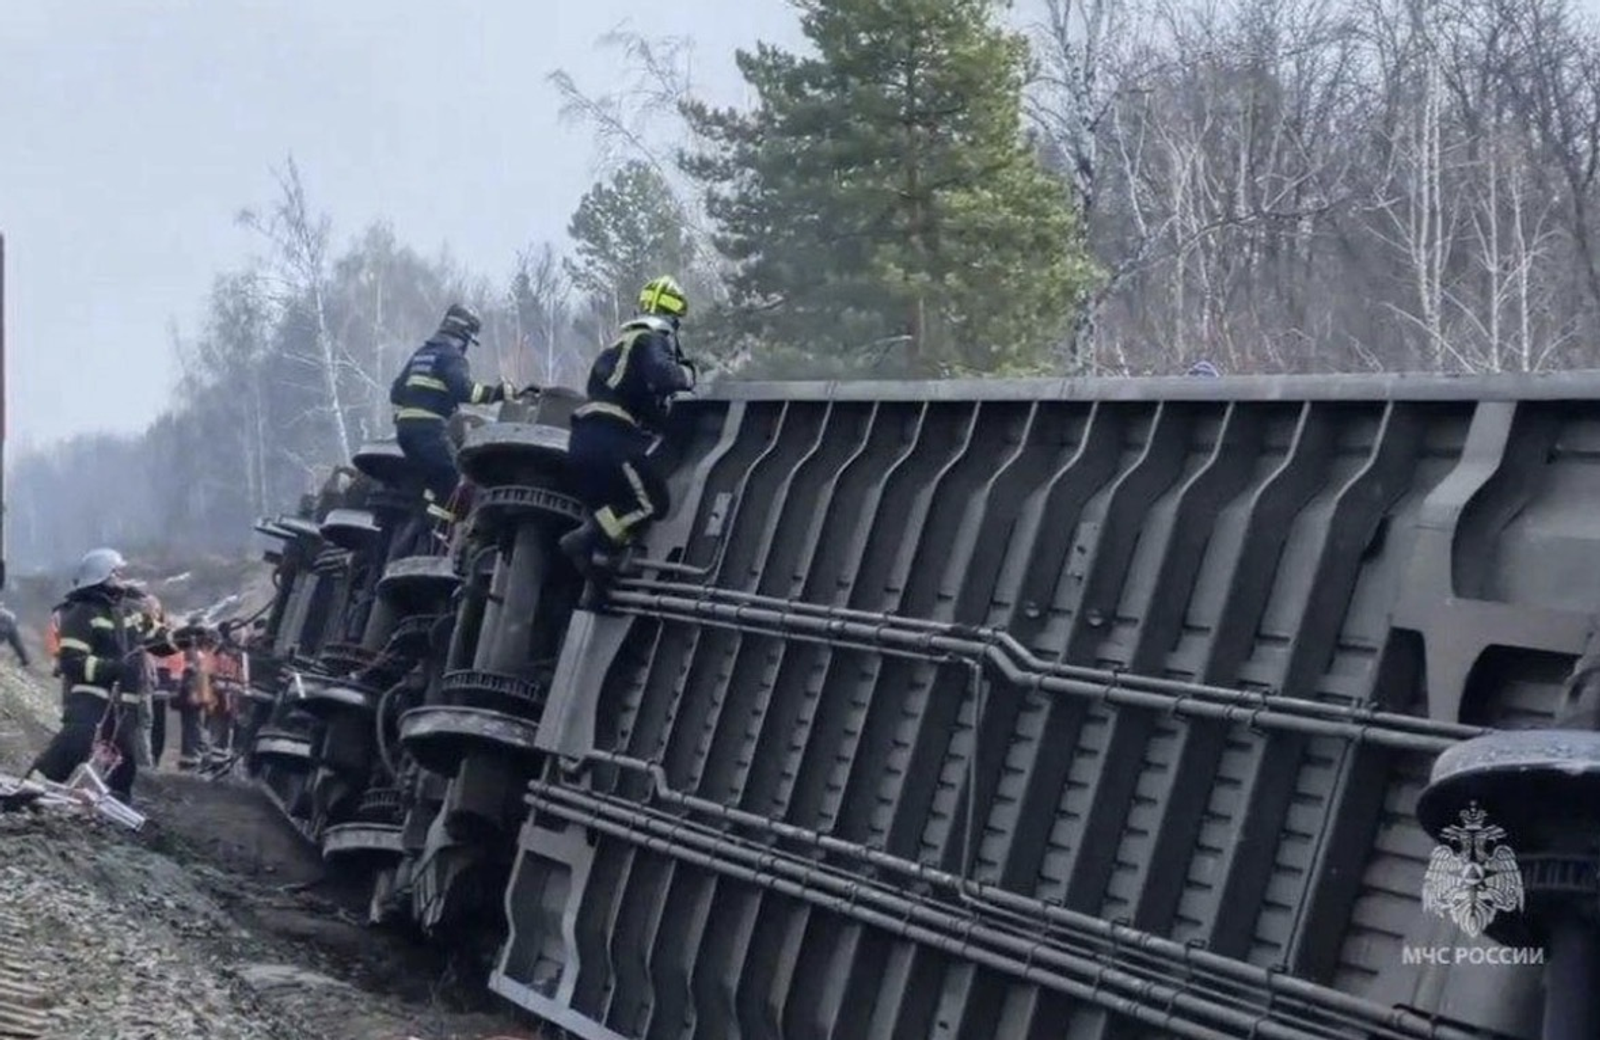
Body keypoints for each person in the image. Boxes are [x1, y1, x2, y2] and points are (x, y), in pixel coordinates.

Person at [558, 275, 696, 578]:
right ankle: (583, 540)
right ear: (670, 318)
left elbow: (638, 401)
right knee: (652, 503)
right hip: (612, 437)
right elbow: (664, 376)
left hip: (582, 438)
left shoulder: (617, 346)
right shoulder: (651, 340)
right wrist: (688, 375)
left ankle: (597, 579)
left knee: (612, 510)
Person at [27, 548, 169, 805]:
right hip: (90, 695)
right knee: (76, 741)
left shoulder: (128, 609)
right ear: (104, 575)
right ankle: (33, 787)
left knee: (124, 754)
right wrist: (115, 669)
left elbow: (157, 642)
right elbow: (73, 663)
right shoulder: (81, 612)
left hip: (125, 701)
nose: (123, 578)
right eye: (117, 573)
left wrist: (191, 634)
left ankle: (118, 801)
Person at [388, 303, 516, 532]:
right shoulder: (451, 357)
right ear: (464, 336)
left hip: (405, 433)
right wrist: (497, 393)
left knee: (434, 487)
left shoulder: (422, 354)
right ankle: (443, 535)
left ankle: (422, 530)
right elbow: (465, 391)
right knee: (457, 485)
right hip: (429, 432)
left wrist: (410, 410)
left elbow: (396, 392)